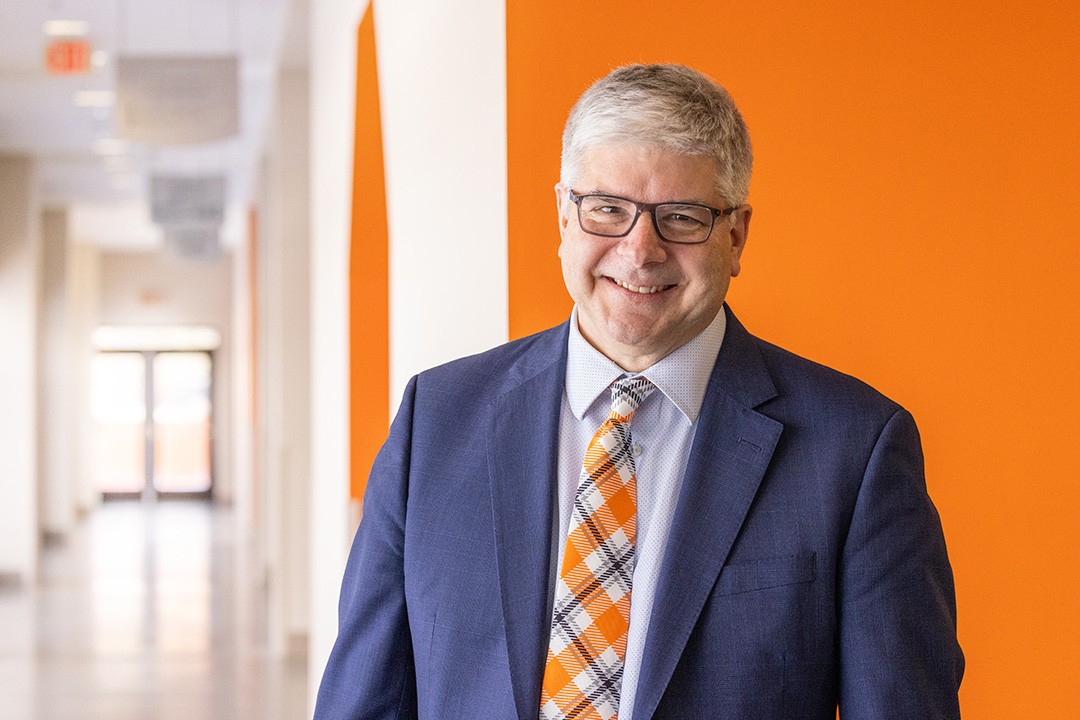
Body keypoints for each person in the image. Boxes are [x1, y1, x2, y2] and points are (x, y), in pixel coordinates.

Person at [314, 63, 964, 719]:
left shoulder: (854, 450)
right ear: (564, 216)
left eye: (682, 217)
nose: (639, 250)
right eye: (607, 210)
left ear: (735, 236)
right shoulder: (439, 422)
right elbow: (363, 699)